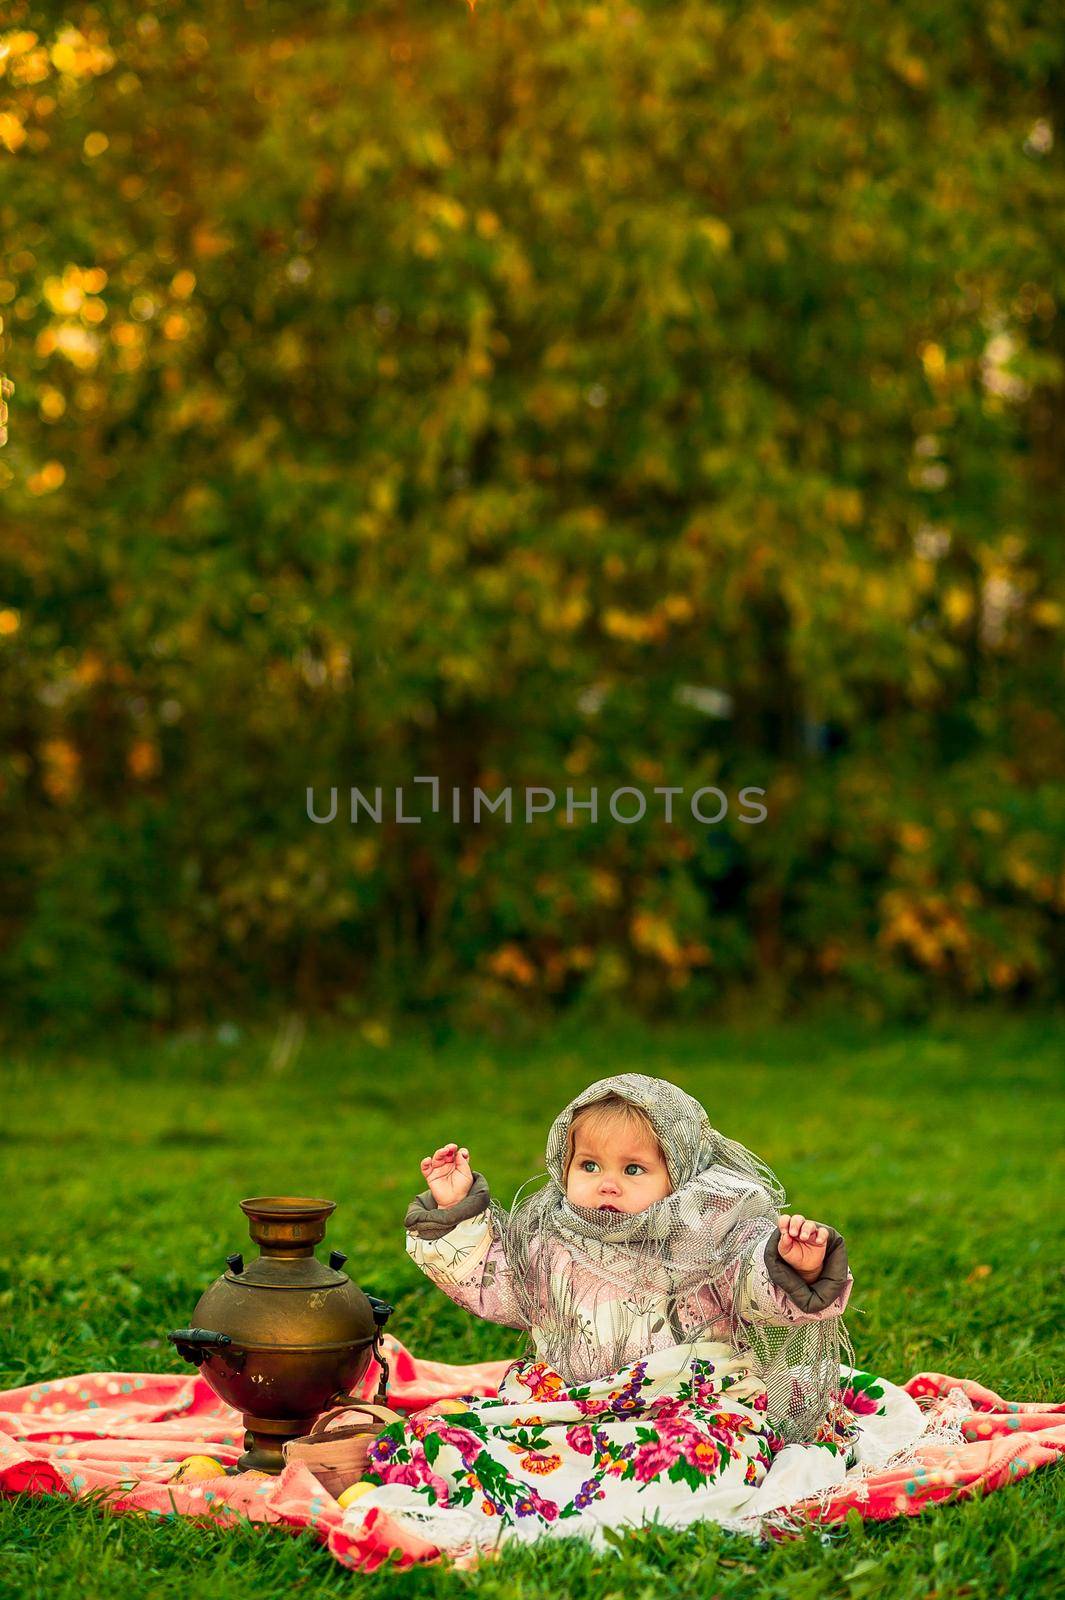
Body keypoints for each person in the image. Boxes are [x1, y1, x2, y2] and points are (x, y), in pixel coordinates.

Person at [343, 1074, 909, 1554]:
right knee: (446, 1441)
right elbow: (494, 1280)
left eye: (634, 1170)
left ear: (678, 1174)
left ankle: (624, 1498)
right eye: (589, 1165)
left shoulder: (705, 1236)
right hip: (571, 1401)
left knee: (693, 1461)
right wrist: (455, 1207)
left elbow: (752, 1286)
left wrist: (795, 1265)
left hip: (685, 1400)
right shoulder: (549, 1239)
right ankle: (527, 1497)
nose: (607, 1182)